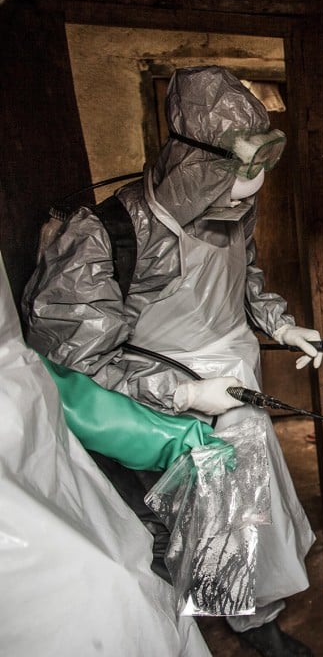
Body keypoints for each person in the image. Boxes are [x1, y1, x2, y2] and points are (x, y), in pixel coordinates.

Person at [21, 66, 318, 657]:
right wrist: (183, 396)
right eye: (231, 189)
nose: (240, 203)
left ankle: (260, 615)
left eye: (250, 190)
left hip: (234, 387)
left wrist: (279, 324)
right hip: (162, 405)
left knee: (253, 512)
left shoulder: (235, 210)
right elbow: (84, 356)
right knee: (206, 521)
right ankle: (254, 632)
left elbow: (244, 274)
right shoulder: (105, 235)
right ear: (193, 167)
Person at [0, 250, 212, 656]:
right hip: (34, 580)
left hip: (70, 508)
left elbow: (35, 381)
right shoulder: (98, 240)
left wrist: (171, 433)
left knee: (133, 594)